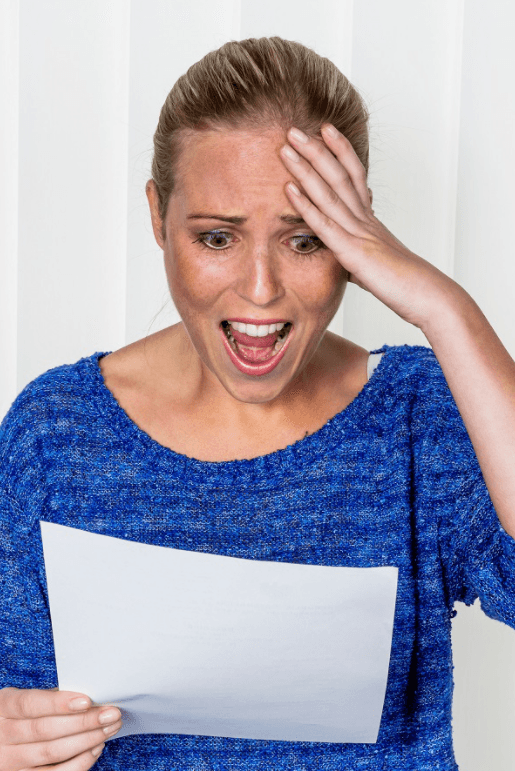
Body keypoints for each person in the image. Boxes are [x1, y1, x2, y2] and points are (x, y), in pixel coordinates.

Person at [1, 35, 514, 771]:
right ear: (157, 218)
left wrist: (441, 306)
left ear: (357, 236)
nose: (262, 289)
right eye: (216, 237)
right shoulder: (55, 432)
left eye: (305, 242)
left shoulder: (418, 412)